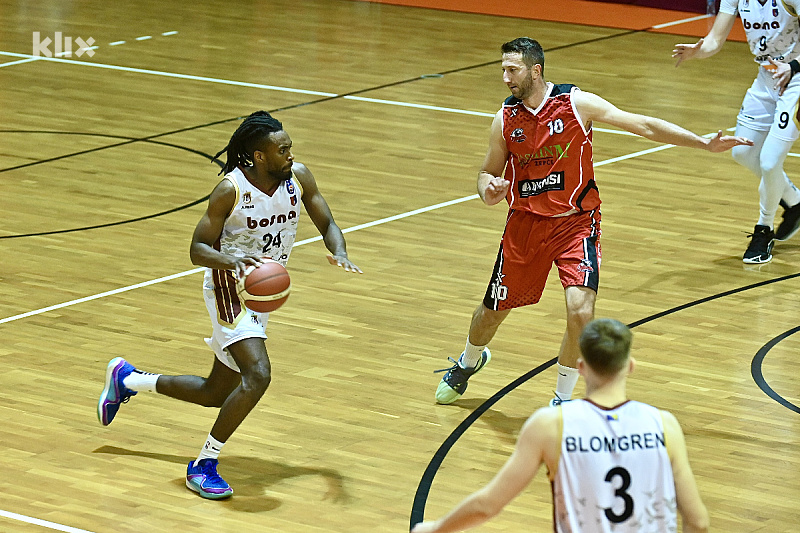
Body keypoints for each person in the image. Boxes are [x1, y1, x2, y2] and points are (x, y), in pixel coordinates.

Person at [434, 37, 752, 407]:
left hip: (576, 224)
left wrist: (702, 143)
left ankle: (564, 400)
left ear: (535, 70)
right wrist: (488, 190)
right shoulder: (505, 119)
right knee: (491, 315)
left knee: (581, 311)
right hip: (526, 227)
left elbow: (644, 124)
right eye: (503, 69)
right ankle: (469, 361)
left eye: (512, 69)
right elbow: (487, 172)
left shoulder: (575, 103)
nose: (505, 77)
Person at [96, 111, 361, 499]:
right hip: (227, 288)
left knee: (215, 393)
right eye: (282, 149)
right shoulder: (230, 190)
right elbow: (197, 249)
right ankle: (203, 464)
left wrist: (338, 251)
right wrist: (231, 261)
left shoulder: (299, 178)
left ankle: (128, 380)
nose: (290, 155)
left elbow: (328, 222)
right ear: (258, 156)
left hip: (259, 293)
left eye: (290, 148)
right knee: (259, 375)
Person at [417, 318, 710, 533]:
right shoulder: (664, 425)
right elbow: (698, 522)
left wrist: (434, 529)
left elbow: (488, 505)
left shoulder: (551, 425)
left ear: (580, 368)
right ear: (630, 366)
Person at [673, 0, 800, 264]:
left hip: (795, 78)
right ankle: (795, 202)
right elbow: (715, 40)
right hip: (766, 77)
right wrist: (697, 51)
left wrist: (795, 66)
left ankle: (763, 231)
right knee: (743, 152)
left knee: (769, 162)